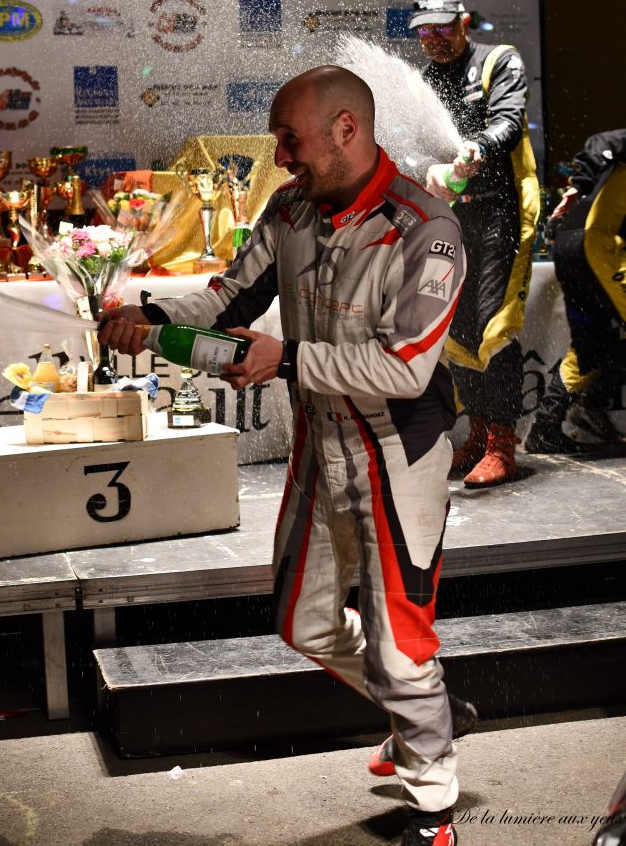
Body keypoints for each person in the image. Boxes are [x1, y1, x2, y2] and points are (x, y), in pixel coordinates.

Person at [100, 65, 471, 845]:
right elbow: (224, 302)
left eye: (287, 136)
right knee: (301, 622)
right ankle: (429, 712)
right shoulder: (289, 208)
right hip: (319, 441)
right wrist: (148, 312)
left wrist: (286, 358)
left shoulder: (426, 229)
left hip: (398, 451)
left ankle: (433, 806)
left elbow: (405, 369)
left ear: (346, 129)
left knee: (400, 639)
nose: (278, 152)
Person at [409, 0, 540, 488]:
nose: (435, 39)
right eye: (425, 31)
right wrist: (429, 169)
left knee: (492, 323)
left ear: (464, 22)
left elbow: (507, 122)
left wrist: (473, 150)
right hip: (450, 217)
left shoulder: (498, 61)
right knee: (457, 328)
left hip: (500, 213)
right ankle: (479, 429)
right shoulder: (424, 81)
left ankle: (503, 442)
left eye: (444, 27)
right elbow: (416, 145)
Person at [525, 129, 626, 454]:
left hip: (572, 245)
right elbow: (602, 142)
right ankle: (592, 405)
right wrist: (576, 187)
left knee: (589, 344)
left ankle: (545, 428)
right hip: (599, 243)